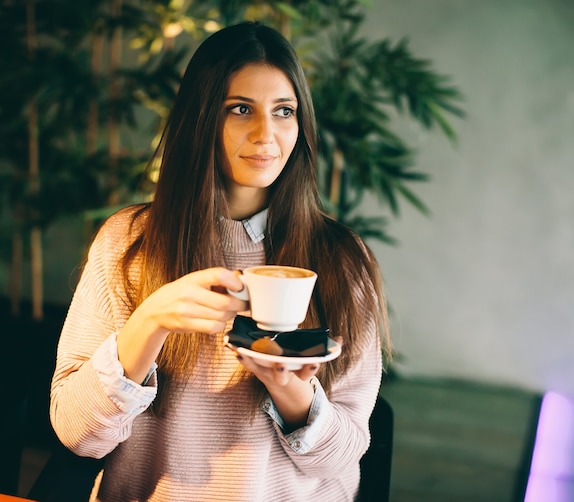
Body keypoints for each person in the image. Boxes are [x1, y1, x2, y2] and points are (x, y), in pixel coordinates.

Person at [50, 21, 391, 501]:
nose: (265, 134)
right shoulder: (129, 243)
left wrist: (292, 393)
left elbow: (345, 457)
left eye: (284, 111)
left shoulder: (341, 260)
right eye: (240, 109)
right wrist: (149, 321)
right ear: (202, 117)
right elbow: (77, 435)